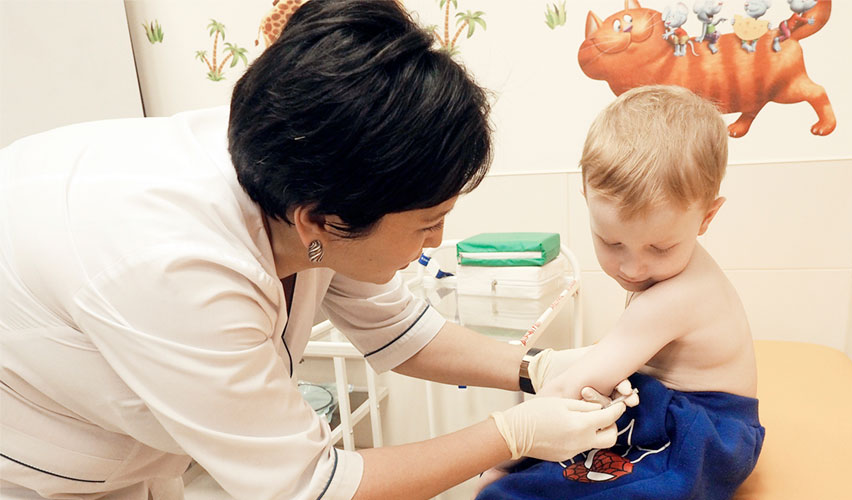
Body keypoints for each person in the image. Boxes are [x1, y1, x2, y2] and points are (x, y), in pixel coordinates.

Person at [0, 1, 631, 499]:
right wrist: (512, 433)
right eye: (427, 224)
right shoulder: (176, 268)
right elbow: (310, 487)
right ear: (321, 221)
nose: (437, 241)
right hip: (34, 464)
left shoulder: (309, 181)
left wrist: (541, 367)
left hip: (130, 443)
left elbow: (396, 331)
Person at [475, 85, 766, 500]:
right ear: (586, 200)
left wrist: (503, 456)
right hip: (667, 407)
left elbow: (572, 386)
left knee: (516, 492)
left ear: (707, 216)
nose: (632, 268)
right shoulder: (663, 274)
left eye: (660, 248)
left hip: (704, 434)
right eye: (611, 242)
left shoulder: (676, 297)